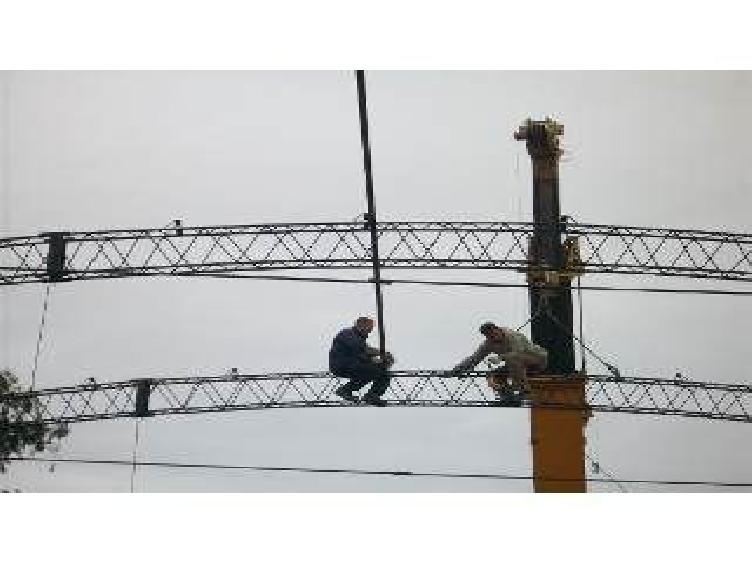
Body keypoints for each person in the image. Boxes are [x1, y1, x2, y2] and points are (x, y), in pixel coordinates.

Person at [451, 322, 547, 404]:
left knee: (513, 359)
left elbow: (518, 352)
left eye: (494, 333)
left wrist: (500, 358)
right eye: (490, 336)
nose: (493, 337)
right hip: (517, 365)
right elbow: (475, 358)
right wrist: (459, 368)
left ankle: (524, 391)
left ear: (498, 329)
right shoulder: (489, 343)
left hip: (536, 360)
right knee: (494, 374)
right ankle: (507, 397)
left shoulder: (513, 336)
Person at [329, 316, 394, 407]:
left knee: (372, 373)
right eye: (369, 329)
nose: (369, 332)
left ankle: (351, 391)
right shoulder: (348, 334)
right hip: (344, 365)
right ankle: (368, 395)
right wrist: (382, 354)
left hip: (349, 365)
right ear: (361, 326)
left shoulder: (357, 337)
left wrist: (380, 360)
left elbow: (364, 354)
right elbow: (362, 350)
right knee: (380, 371)